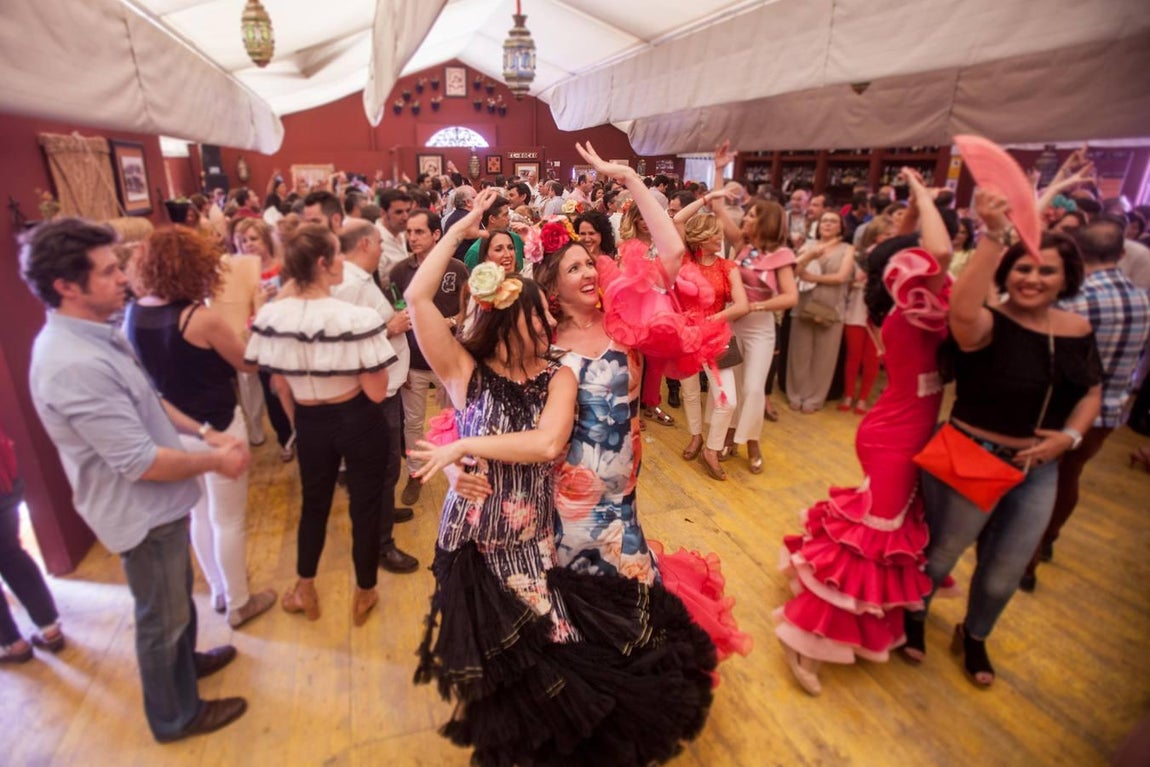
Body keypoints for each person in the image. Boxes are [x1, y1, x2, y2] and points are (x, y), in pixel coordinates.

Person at [407, 186, 717, 767]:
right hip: (535, 517)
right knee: (538, 639)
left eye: (589, 262)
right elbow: (465, 403)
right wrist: (460, 229)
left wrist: (628, 176)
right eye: (573, 266)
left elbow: (542, 438)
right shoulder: (532, 358)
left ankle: (604, 710)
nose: (589, 271)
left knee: (604, 609)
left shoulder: (569, 365)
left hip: (608, 499)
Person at [23, 218, 249, 742]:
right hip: (139, 511)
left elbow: (151, 401)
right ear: (66, 286)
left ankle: (186, 665)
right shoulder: (71, 363)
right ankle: (176, 716)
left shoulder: (103, 330)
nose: (123, 278)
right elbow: (140, 462)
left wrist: (208, 434)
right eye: (107, 271)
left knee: (176, 603)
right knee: (160, 617)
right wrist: (216, 461)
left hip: (162, 501)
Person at [907, 191, 1103, 688]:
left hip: (1038, 470)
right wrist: (995, 234)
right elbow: (962, 310)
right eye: (1024, 269)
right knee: (940, 558)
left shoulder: (1076, 328)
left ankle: (973, 635)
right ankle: (912, 617)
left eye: (1046, 271)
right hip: (969, 456)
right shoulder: (987, 324)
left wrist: (1070, 437)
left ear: (1066, 278)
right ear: (1007, 273)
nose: (1033, 279)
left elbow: (1091, 390)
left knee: (1003, 573)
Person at [774, 169, 950, 696]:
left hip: (901, 429)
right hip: (895, 435)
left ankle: (854, 619)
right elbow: (937, 254)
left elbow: (922, 248)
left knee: (883, 529)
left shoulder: (902, 306)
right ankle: (803, 636)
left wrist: (915, 209)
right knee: (874, 537)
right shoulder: (911, 313)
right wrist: (920, 195)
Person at [245, 224, 407, 627]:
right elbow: (375, 391)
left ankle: (305, 586)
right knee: (366, 506)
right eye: (336, 255)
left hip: (309, 418)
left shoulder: (273, 315)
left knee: (313, 505)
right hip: (357, 415)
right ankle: (365, 590)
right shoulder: (355, 317)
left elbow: (278, 382)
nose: (343, 262)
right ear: (322, 263)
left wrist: (301, 417)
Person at [124, 226, 277, 628]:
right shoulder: (201, 317)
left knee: (199, 514)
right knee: (228, 519)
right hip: (218, 426)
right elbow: (247, 362)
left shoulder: (134, 313)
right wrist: (259, 317)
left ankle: (221, 593)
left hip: (171, 429)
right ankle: (241, 601)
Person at [1020, 218, 1149, 591]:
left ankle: (1026, 562)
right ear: (1122, 253)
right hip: (1109, 411)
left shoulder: (1075, 299)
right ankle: (1047, 542)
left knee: (1040, 484)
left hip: (1065, 411)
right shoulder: (1143, 299)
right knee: (1070, 476)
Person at [330, 221, 419, 571]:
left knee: (386, 467)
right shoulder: (348, 285)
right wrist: (390, 327)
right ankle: (380, 545)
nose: (384, 249)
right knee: (377, 468)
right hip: (370, 393)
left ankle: (384, 513)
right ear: (365, 244)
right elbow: (340, 342)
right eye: (380, 243)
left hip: (385, 385)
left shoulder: (360, 280)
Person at [389, 209, 469, 507]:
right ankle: (415, 473)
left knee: (457, 419)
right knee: (412, 422)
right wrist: (400, 366)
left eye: (419, 231)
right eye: (409, 232)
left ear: (437, 234)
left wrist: (449, 322)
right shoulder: (400, 272)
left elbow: (467, 309)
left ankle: (458, 473)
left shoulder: (457, 268)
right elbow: (396, 317)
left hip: (450, 361)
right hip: (414, 363)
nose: (412, 238)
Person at [0, 423, 64, 664]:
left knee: (9, 552)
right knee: (11, 553)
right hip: (4, 480)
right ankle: (50, 629)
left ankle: (12, 644)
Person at [787, 211, 856, 412]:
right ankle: (796, 394)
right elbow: (794, 271)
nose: (827, 224)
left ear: (841, 226)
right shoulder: (808, 246)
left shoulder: (847, 249)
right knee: (799, 354)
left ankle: (814, 398)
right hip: (804, 305)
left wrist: (810, 277)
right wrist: (808, 256)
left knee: (824, 357)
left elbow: (841, 277)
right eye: (824, 220)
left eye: (833, 221)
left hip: (832, 308)